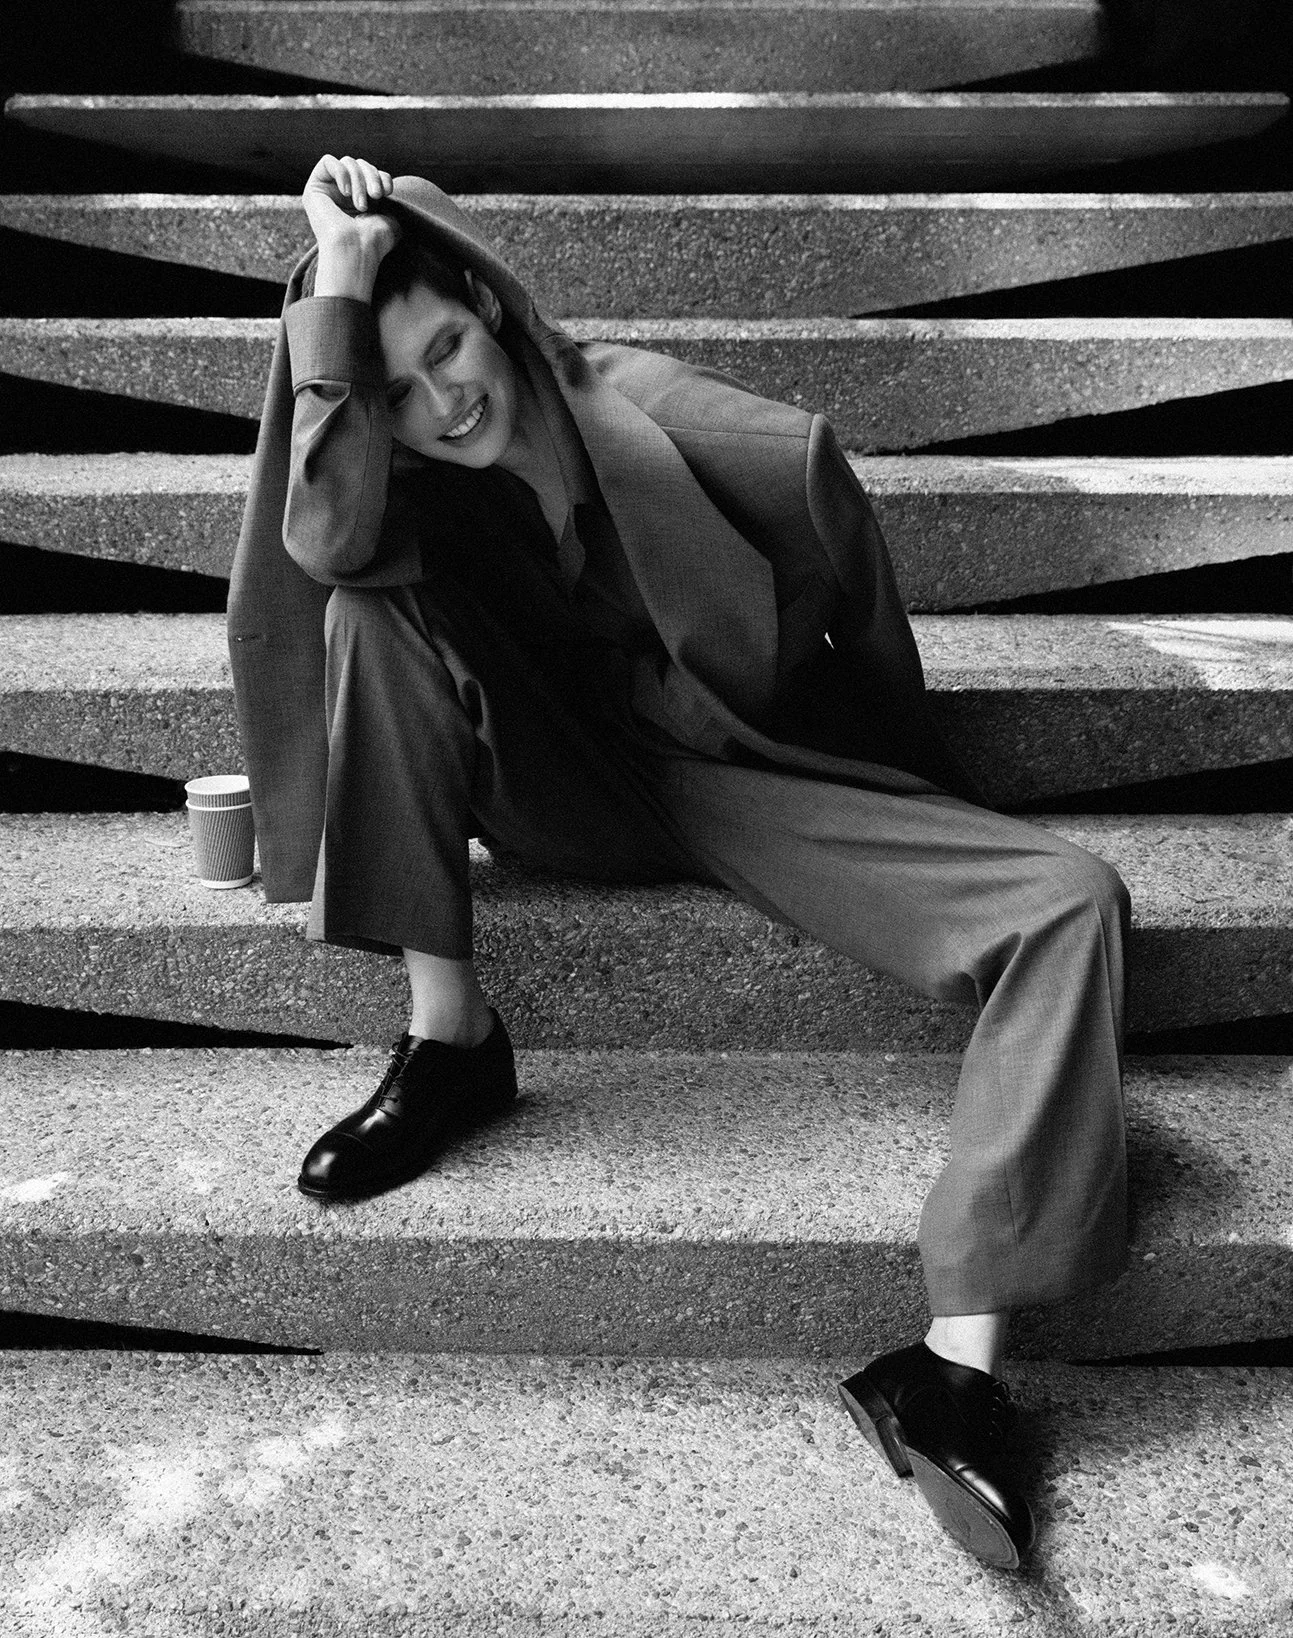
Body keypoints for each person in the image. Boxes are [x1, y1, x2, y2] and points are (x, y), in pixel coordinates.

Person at [227, 154, 1133, 1572]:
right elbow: (325, 537)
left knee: (1073, 902)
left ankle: (950, 1373)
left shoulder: (681, 425)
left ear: (487, 300)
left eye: (447, 349)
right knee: (369, 616)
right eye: (392, 387)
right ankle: (451, 1039)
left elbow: (842, 537)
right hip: (551, 782)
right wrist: (335, 283)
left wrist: (920, 790)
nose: (440, 402)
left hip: (734, 777)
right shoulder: (413, 488)